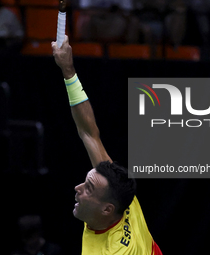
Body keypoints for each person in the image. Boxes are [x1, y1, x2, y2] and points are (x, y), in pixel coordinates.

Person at [51, 35, 163, 255]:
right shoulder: (118, 194)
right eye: (86, 183)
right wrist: (68, 70)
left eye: (87, 189)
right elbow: (89, 132)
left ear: (106, 209)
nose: (77, 188)